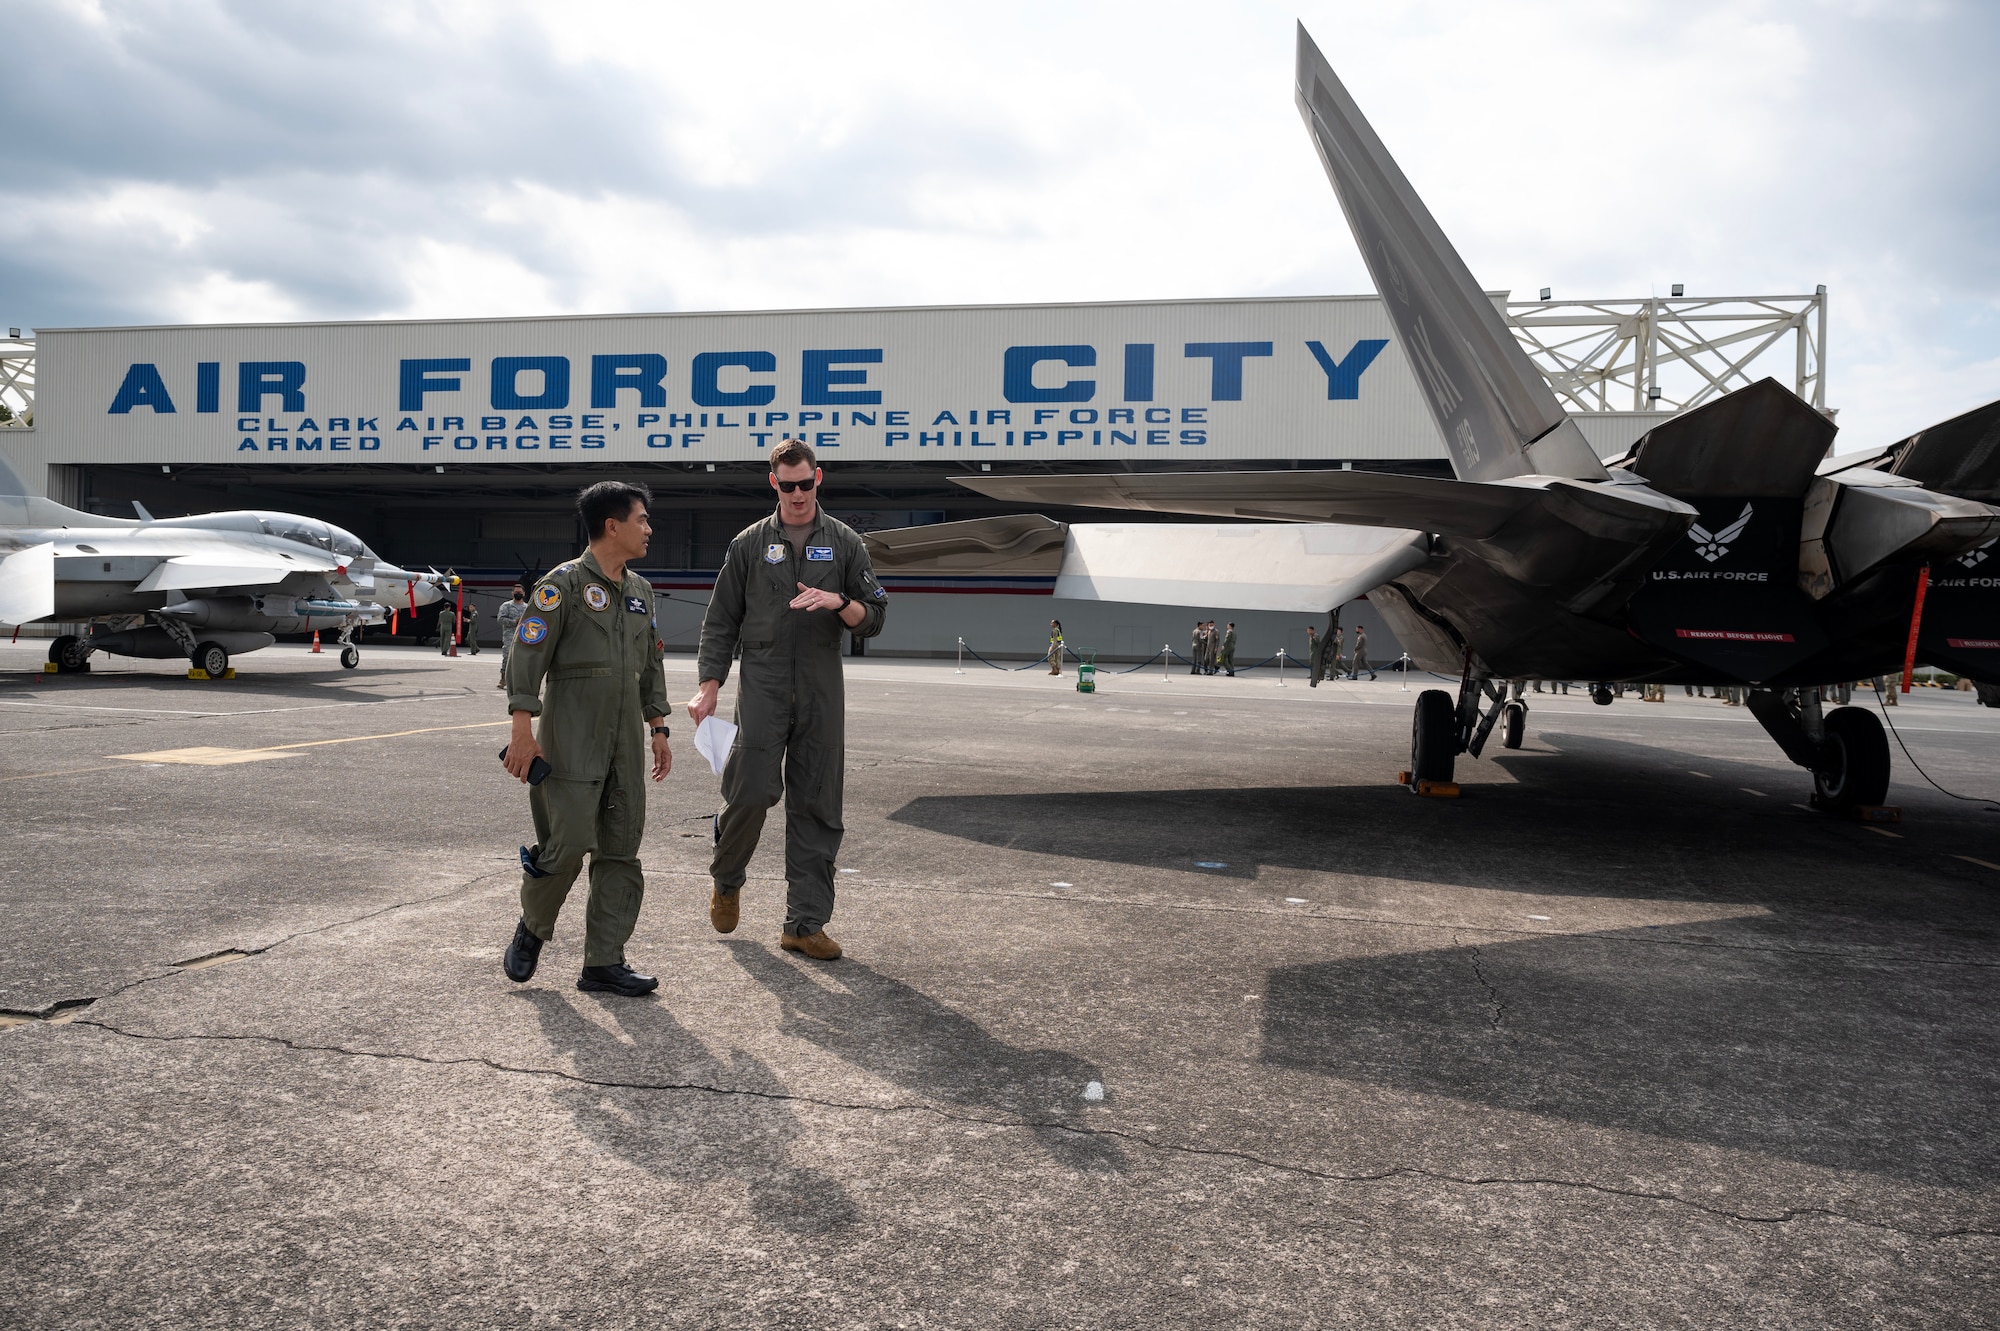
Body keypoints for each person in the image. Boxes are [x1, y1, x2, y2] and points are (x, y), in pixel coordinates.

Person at [689, 439, 889, 961]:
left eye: (806, 483)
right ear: (773, 483)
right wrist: (710, 683)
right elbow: (720, 620)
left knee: (818, 806)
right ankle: (727, 877)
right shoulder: (749, 545)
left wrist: (838, 602)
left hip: (822, 690)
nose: (798, 494)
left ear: (818, 478)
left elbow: (876, 614)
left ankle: (803, 924)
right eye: (788, 485)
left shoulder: (845, 543)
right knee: (751, 791)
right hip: (763, 687)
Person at [500, 481, 673, 997]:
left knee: (621, 848)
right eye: (641, 519)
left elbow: (652, 663)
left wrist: (658, 726)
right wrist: (521, 734)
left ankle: (604, 962)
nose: (649, 529)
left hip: (625, 739)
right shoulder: (563, 586)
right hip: (572, 734)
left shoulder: (640, 591)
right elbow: (526, 658)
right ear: (612, 526)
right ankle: (533, 926)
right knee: (569, 842)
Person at [495, 584, 527, 690]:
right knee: (507, 658)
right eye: (516, 592)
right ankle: (503, 679)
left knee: (522, 659)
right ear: (512, 593)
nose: (518, 593)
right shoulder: (506, 606)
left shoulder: (527, 608)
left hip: (524, 637)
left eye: (520, 592)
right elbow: (500, 619)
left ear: (524, 594)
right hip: (510, 636)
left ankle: (520, 682)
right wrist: (514, 622)